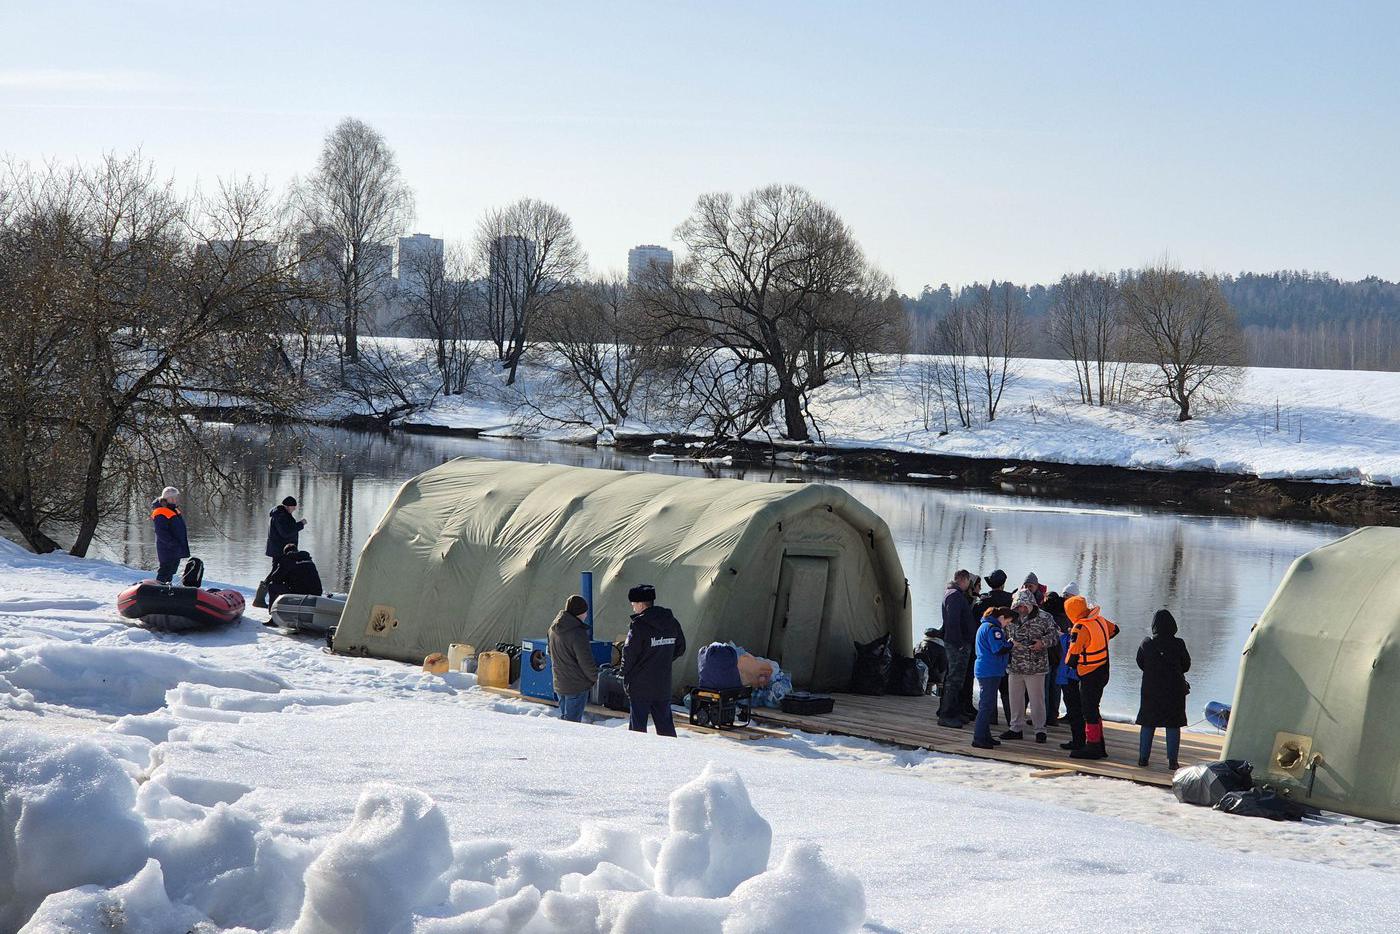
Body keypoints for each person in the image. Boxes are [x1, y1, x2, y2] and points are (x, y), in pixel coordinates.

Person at [621, 584, 686, 736]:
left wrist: (624, 672)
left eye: (633, 604)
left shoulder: (639, 626)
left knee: (637, 730)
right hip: (662, 684)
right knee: (665, 728)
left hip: (640, 686)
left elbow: (629, 653)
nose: (633, 608)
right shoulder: (671, 622)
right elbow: (680, 648)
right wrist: (662, 659)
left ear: (641, 604)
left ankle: (638, 757)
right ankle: (672, 756)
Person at [1064, 594, 1120, 760]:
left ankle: (1093, 746)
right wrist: (1099, 642)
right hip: (1104, 669)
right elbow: (1115, 629)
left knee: (1088, 710)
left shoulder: (1080, 628)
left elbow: (1071, 659)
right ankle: (1099, 745)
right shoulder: (1099, 620)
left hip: (1089, 673)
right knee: (1094, 708)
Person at [1136, 609, 1192, 769]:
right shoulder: (1179, 643)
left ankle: (1143, 759)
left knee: (1148, 723)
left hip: (1150, 690)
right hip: (1174, 691)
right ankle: (1173, 762)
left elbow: (1140, 663)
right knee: (1173, 724)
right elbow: (1186, 666)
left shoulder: (1146, 644)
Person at [1002, 589, 1057, 743]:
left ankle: (1040, 730)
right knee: (1015, 698)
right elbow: (1003, 635)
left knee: (1037, 700)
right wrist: (1011, 643)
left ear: (1031, 604)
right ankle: (1015, 728)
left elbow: (1055, 636)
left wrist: (1042, 643)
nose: (1021, 609)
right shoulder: (1011, 617)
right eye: (1018, 606)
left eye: (1023, 606)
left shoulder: (1045, 617)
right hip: (1015, 665)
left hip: (1036, 667)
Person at [549, 594, 600, 723]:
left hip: (560, 682)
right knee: (572, 724)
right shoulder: (577, 633)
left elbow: (550, 652)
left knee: (566, 720)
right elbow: (585, 661)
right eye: (585, 612)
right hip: (576, 685)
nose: (586, 615)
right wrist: (595, 678)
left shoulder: (553, 628)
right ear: (579, 612)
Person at [971, 607, 1016, 749]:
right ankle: (979, 738)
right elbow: (998, 649)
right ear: (1001, 617)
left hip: (986, 669)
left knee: (988, 705)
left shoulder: (984, 626)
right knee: (986, 706)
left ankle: (986, 735)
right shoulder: (994, 629)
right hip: (990, 670)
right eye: (1007, 622)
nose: (1007, 625)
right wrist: (1011, 644)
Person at [937, 570, 977, 728]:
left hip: (957, 643)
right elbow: (952, 622)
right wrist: (959, 643)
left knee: (955, 679)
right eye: (968, 581)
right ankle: (946, 714)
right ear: (964, 579)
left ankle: (952, 711)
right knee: (954, 679)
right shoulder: (954, 595)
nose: (969, 585)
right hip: (957, 645)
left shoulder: (953, 594)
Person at [973, 570, 1014, 723]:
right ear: (1003, 584)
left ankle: (991, 719)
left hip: (984, 649)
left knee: (988, 692)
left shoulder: (982, 601)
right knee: (1005, 688)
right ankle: (1012, 720)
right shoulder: (1011, 599)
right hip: (1004, 647)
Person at [150, 486, 190, 584]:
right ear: (167, 498)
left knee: (171, 571)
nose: (175, 499)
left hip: (175, 548)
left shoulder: (173, 509)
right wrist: (173, 543)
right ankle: (158, 589)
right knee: (165, 570)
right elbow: (161, 532)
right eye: (173, 497)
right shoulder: (160, 511)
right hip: (167, 548)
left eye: (176, 497)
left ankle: (166, 589)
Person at [265, 496, 306, 577]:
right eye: (293, 507)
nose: (294, 509)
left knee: (279, 571)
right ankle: (264, 588)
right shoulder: (281, 515)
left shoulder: (281, 514)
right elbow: (286, 533)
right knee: (276, 571)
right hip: (280, 550)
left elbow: (287, 529)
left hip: (280, 549)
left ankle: (268, 588)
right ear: (288, 506)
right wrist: (300, 524)